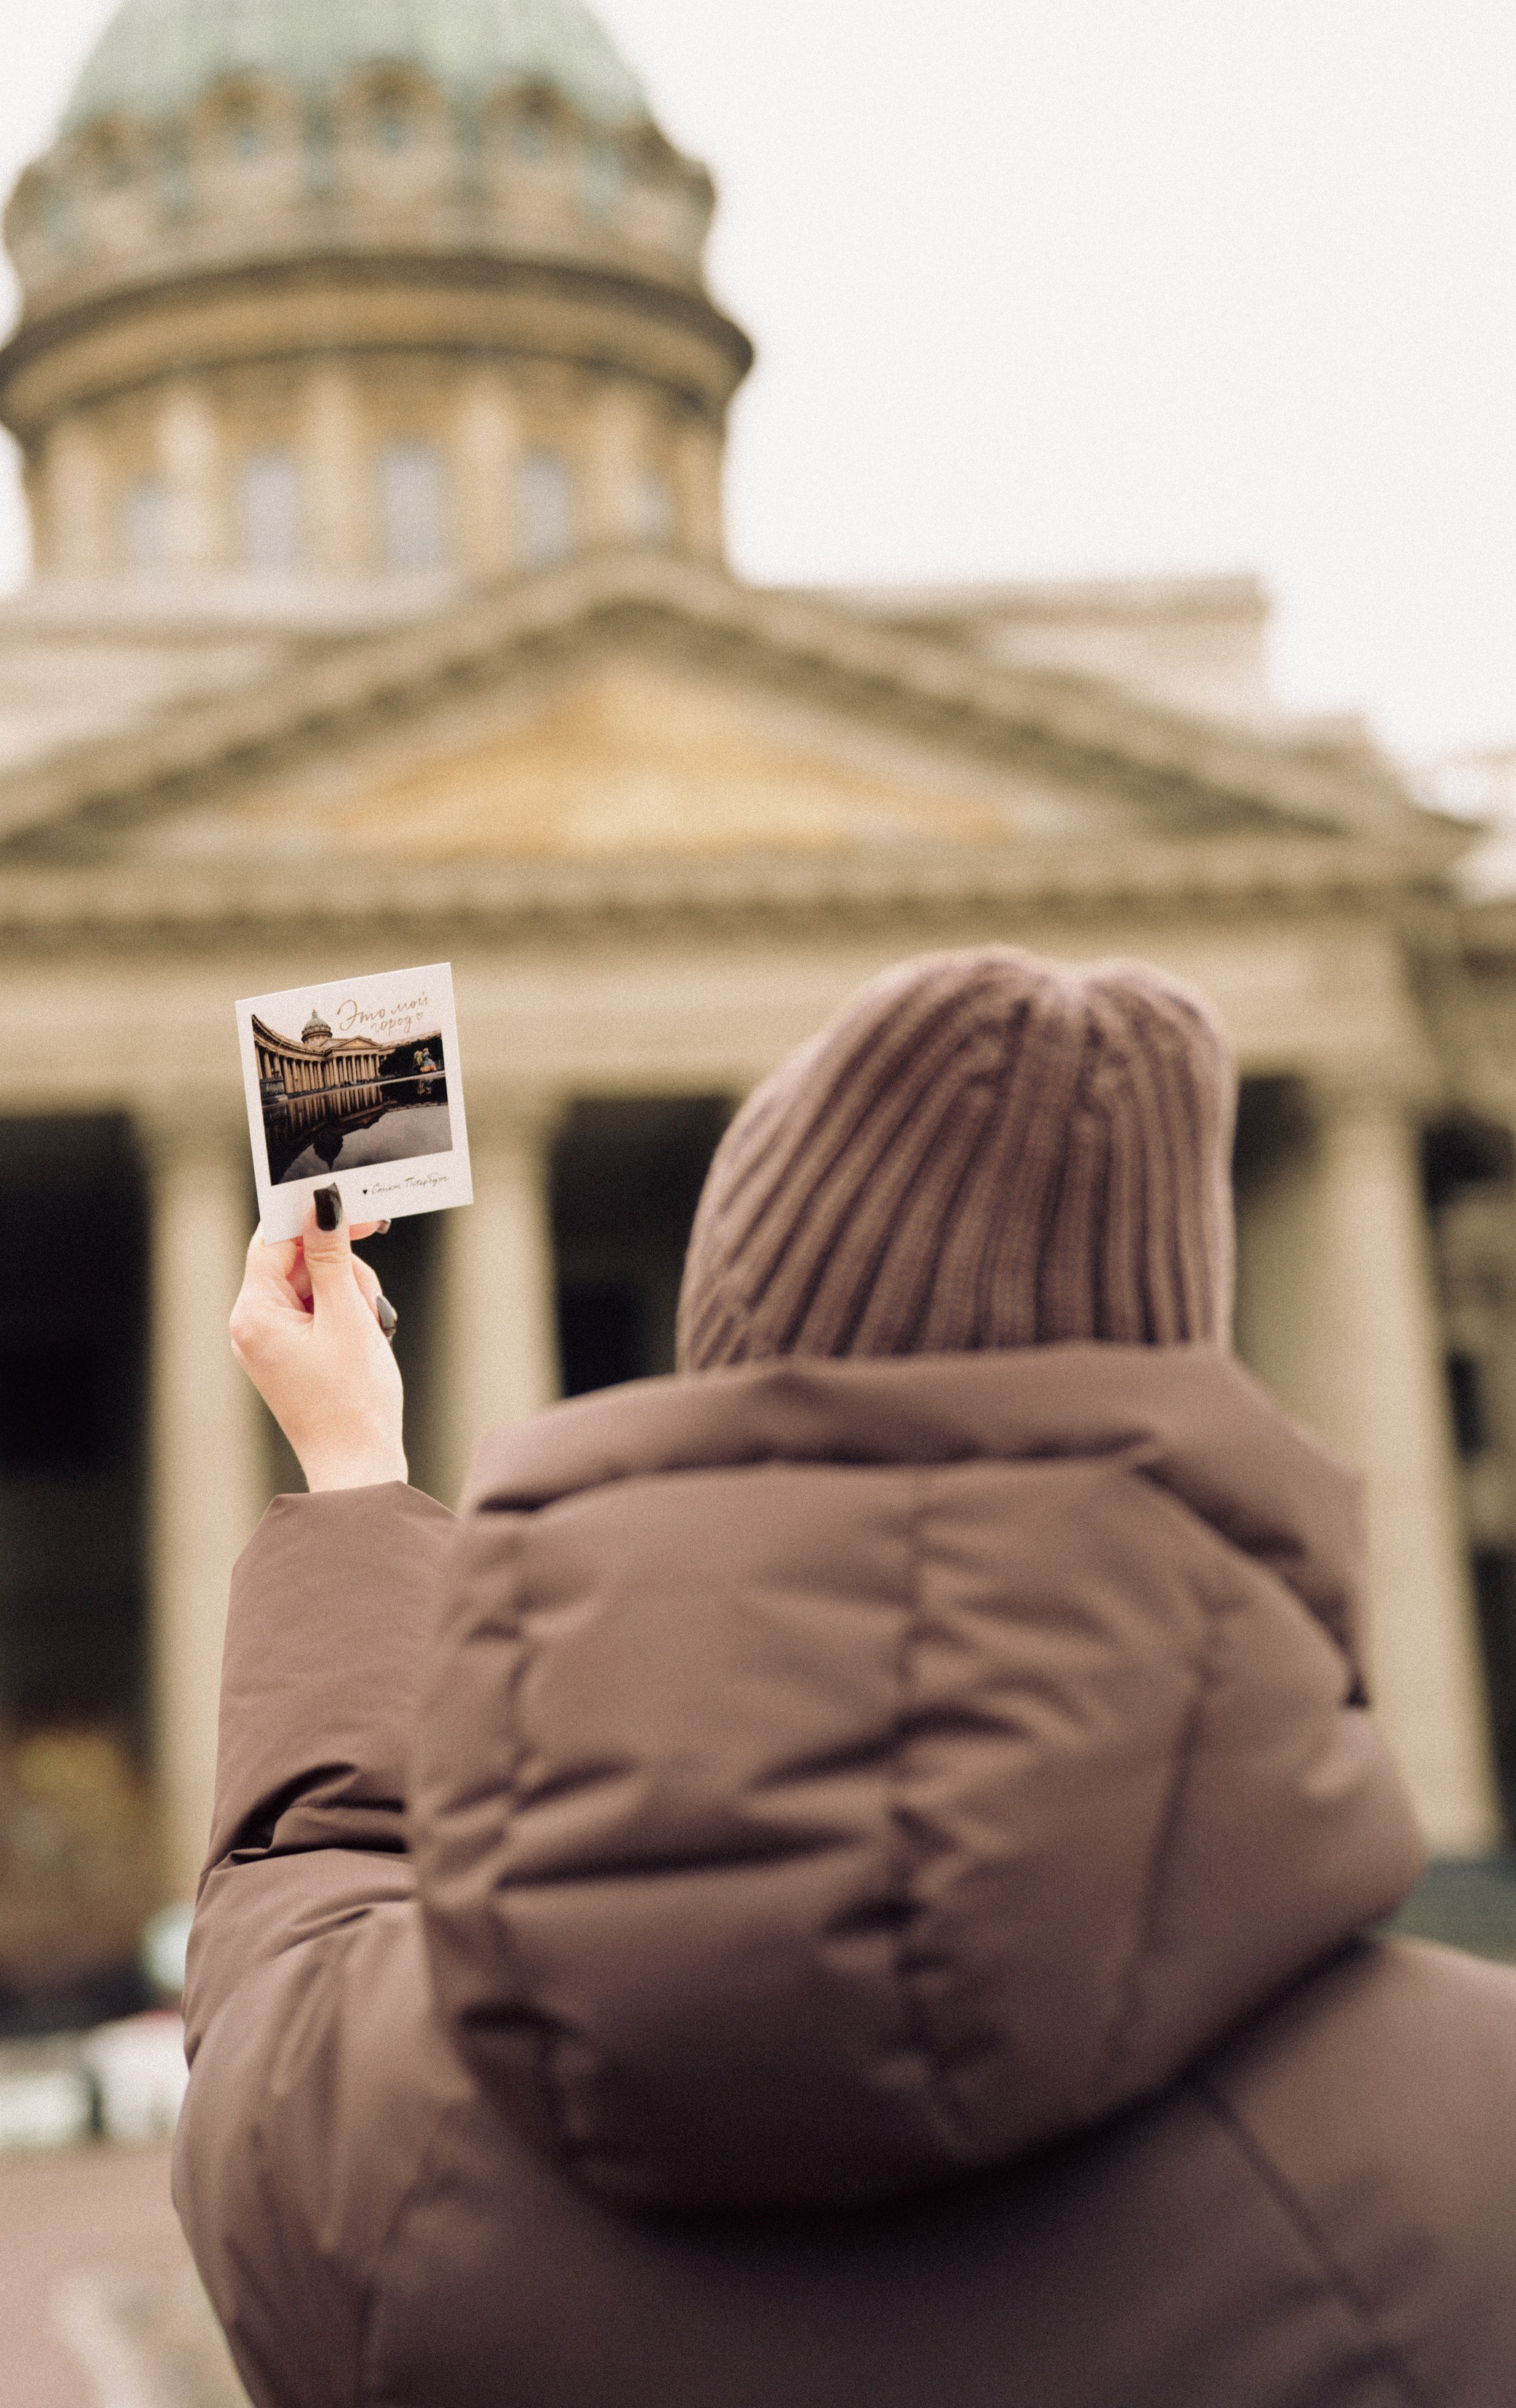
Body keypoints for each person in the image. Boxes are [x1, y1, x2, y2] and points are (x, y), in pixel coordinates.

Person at [175, 948, 1516, 2408]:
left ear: (724, 1389)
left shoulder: (375, 2140)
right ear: (1177, 1390)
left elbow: (284, 1964)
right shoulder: (1466, 2144)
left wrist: (355, 1478)